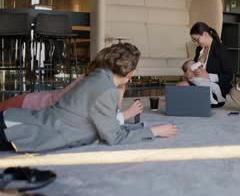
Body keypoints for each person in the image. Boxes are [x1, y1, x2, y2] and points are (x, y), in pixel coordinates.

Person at [0, 43, 179, 152]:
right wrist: (155, 132)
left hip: (21, 120)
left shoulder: (98, 76)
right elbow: (114, 137)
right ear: (131, 72)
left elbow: (107, 121)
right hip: (23, 131)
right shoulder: (106, 89)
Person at [0, 47, 143, 124]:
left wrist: (120, 88)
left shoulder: (99, 82)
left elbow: (111, 114)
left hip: (33, 103)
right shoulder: (90, 83)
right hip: (28, 105)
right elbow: (106, 123)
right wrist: (127, 114)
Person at [187, 22, 234, 107]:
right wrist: (190, 73)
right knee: (182, 86)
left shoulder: (221, 50)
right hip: (199, 84)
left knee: (189, 97)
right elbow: (194, 67)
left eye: (197, 40)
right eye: (194, 41)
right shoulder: (199, 50)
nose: (196, 43)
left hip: (216, 88)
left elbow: (229, 76)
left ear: (205, 34)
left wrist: (208, 76)